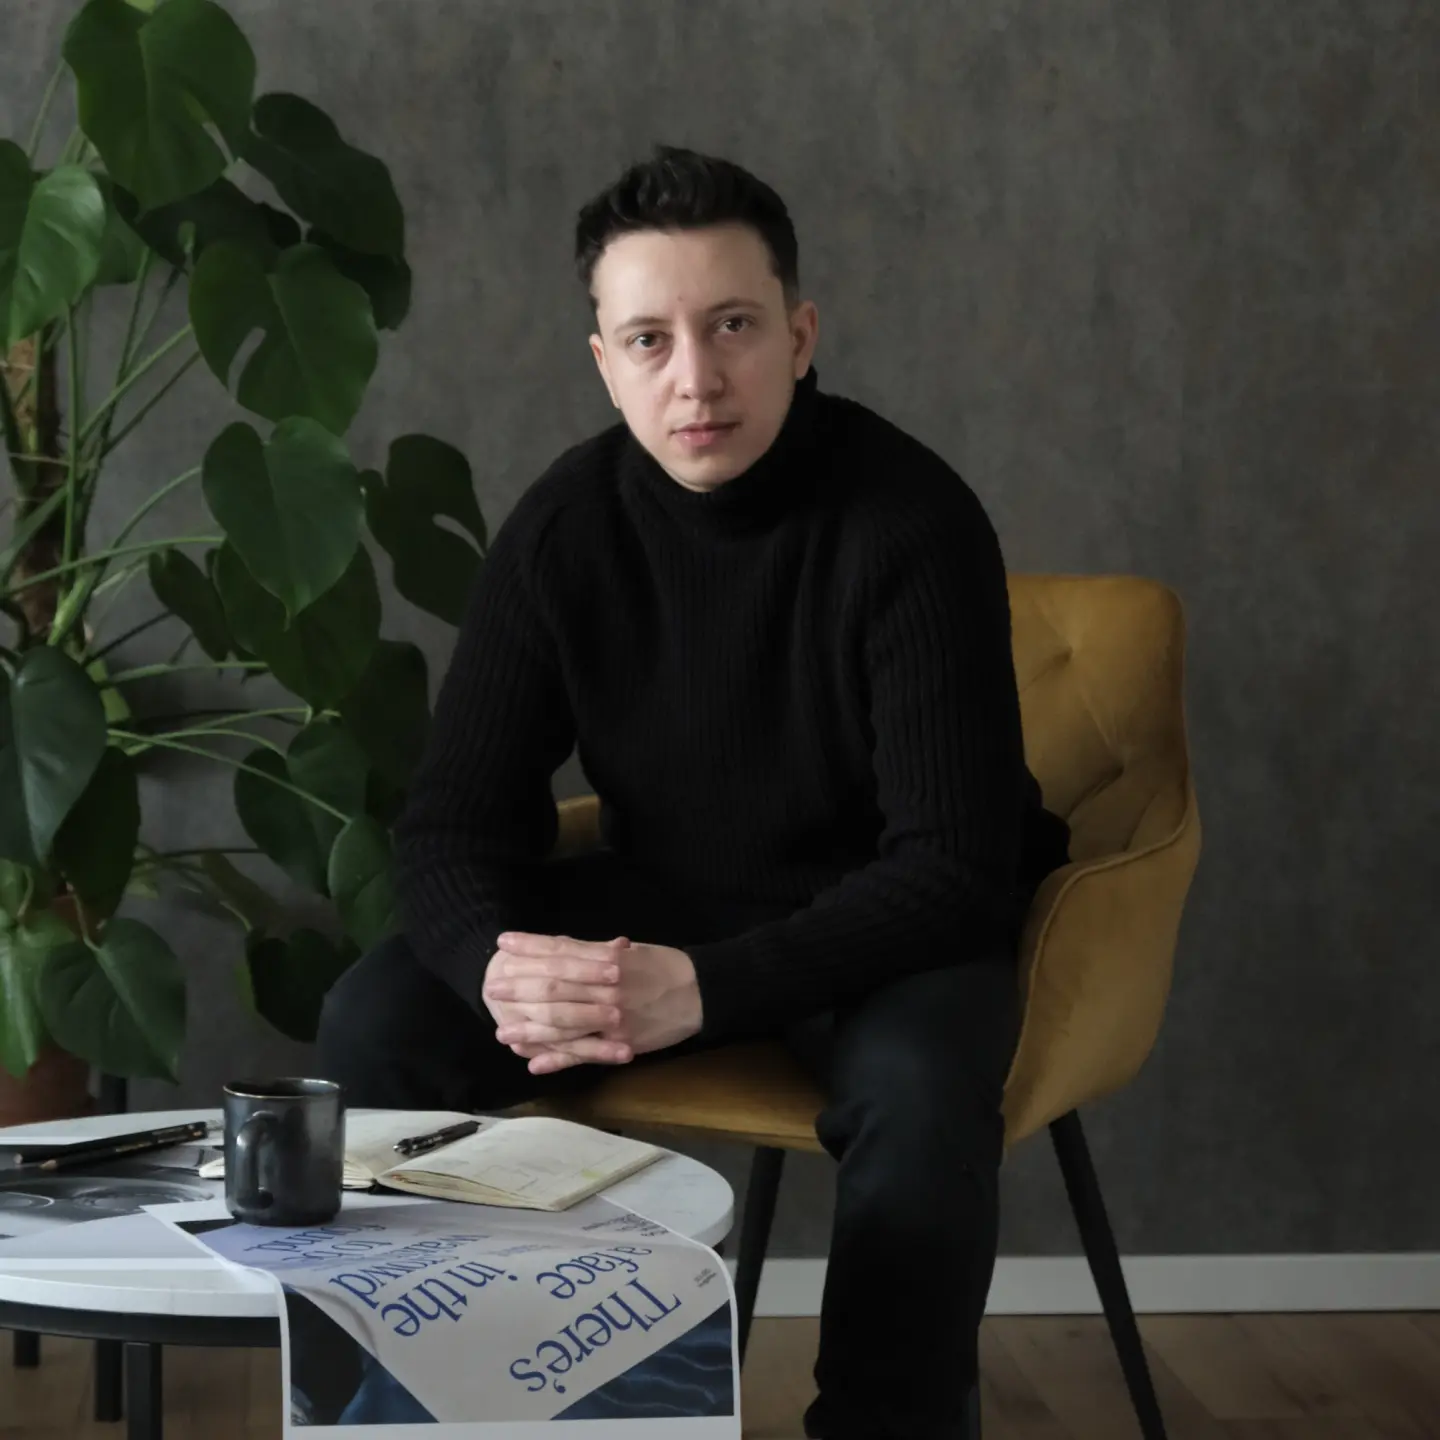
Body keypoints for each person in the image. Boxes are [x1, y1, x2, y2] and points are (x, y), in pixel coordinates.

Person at [316, 143, 1070, 1440]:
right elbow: (451, 821)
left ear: (800, 332)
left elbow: (953, 863)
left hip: (885, 923)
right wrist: (498, 962)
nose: (697, 378)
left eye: (732, 326)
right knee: (381, 1013)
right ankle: (456, 1405)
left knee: (922, 1092)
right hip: (666, 898)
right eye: (650, 339)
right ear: (603, 361)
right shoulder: (566, 530)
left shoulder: (910, 521)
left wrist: (709, 987)